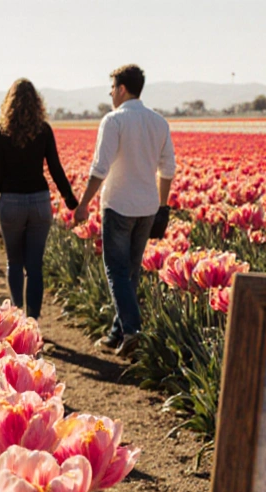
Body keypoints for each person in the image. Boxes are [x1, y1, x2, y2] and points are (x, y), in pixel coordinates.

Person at [73, 64, 176, 357]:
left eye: (112, 88)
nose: (110, 94)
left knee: (116, 270)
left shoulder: (114, 121)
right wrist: (163, 205)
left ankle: (131, 330)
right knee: (130, 271)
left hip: (118, 205)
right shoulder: (159, 122)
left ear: (121, 89)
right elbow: (168, 168)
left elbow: (100, 168)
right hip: (147, 207)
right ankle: (116, 333)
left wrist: (83, 204)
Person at [0, 79, 79, 320]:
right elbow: (55, 168)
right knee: (35, 266)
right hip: (39, 201)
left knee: (14, 263)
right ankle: (34, 320)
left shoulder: (0, 132)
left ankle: (17, 317)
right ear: (37, 103)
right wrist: (71, 201)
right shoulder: (44, 130)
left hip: (11, 202)